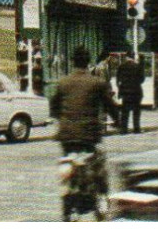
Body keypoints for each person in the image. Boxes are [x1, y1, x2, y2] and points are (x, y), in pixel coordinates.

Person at [50, 47, 121, 193]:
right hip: (89, 135)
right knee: (98, 164)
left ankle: (69, 187)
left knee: (68, 159)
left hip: (66, 136)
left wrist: (61, 119)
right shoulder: (96, 83)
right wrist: (118, 122)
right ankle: (99, 195)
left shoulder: (63, 82)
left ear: (73, 62)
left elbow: (53, 106)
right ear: (88, 62)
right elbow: (109, 105)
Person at [115, 52, 145, 134]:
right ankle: (136, 128)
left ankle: (124, 129)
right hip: (136, 91)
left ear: (126, 57)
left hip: (125, 92)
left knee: (125, 111)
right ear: (133, 57)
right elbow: (142, 80)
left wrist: (121, 88)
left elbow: (117, 80)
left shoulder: (121, 66)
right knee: (136, 111)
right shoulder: (137, 66)